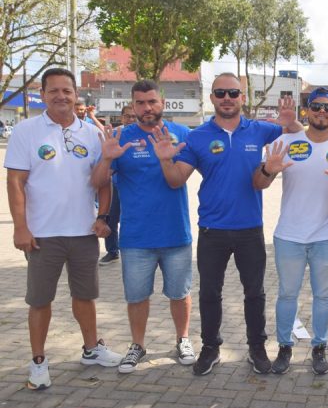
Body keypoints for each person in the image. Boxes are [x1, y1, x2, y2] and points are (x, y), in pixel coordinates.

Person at [151, 72, 302, 376]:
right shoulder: (198, 136)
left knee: (255, 293)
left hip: (250, 229)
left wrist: (293, 122)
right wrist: (165, 160)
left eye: (233, 93)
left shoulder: (260, 130)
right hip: (212, 229)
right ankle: (210, 348)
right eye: (221, 93)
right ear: (212, 98)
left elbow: (299, 137)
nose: (227, 99)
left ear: (242, 97)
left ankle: (257, 348)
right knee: (209, 293)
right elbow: (176, 180)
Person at [5, 67, 123, 390]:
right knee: (40, 300)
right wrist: (20, 227)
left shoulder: (92, 134)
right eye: (53, 91)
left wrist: (103, 216)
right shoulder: (26, 132)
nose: (61, 96)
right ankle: (39, 362)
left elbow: (102, 182)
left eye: (66, 91)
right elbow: (15, 182)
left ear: (76, 95)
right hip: (42, 235)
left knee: (85, 296)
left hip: (84, 232)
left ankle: (91, 349)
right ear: (42, 95)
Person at [254, 87, 328, 375]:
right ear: (307, 111)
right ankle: (284, 347)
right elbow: (260, 184)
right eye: (316, 107)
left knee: (323, 296)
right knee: (287, 295)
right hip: (289, 235)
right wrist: (268, 170)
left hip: (327, 235)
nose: (322, 112)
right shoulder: (285, 141)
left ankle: (319, 347)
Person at [91, 80, 195, 374]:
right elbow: (97, 183)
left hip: (176, 233)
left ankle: (183, 339)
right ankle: (137, 345)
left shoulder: (183, 134)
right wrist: (108, 158)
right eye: (140, 103)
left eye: (152, 101)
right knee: (136, 297)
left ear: (162, 102)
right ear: (132, 106)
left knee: (180, 292)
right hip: (136, 238)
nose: (147, 108)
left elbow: (187, 176)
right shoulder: (121, 137)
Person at [99, 105, 137, 265]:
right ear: (122, 118)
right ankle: (112, 251)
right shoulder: (116, 136)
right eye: (127, 116)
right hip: (115, 186)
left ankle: (135, 250)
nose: (130, 119)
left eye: (133, 116)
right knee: (111, 219)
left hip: (133, 188)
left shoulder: (144, 136)